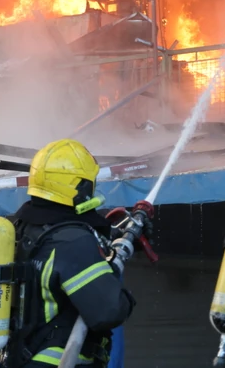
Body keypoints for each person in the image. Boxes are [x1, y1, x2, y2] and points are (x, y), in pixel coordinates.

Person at [9, 139, 138, 368]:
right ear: (79, 187)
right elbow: (108, 311)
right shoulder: (72, 241)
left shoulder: (24, 229)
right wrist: (123, 295)